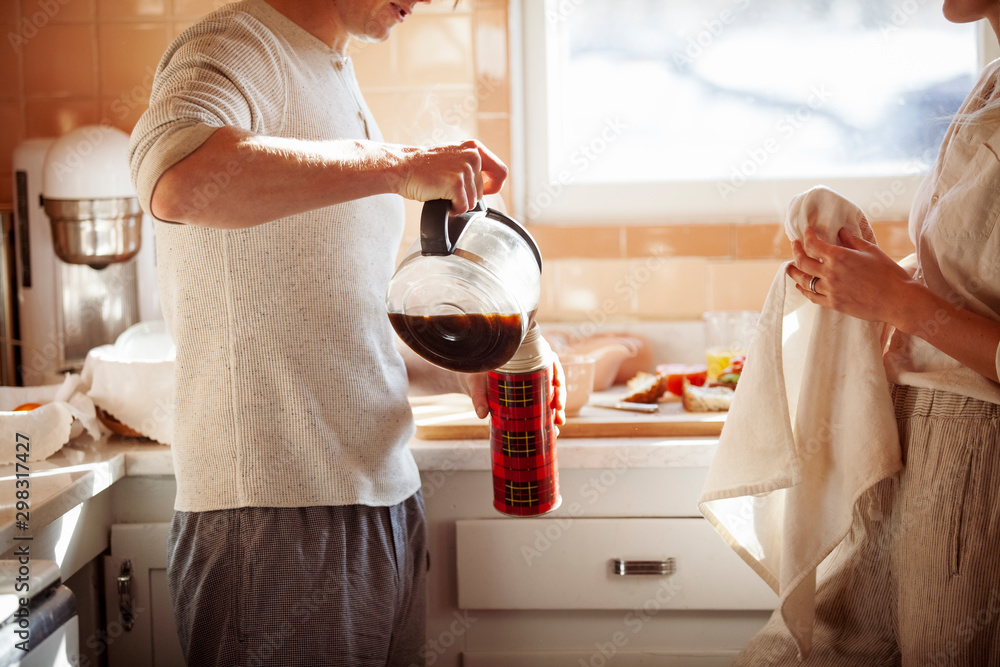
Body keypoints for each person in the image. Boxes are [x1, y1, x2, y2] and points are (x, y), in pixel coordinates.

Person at [127, 1, 563, 665]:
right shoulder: (232, 47)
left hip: (381, 502)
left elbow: (335, 317)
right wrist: (392, 164)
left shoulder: (334, 73)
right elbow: (178, 180)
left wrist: (466, 362)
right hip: (274, 516)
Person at [737, 0, 1000, 663]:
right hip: (926, 456)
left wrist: (900, 301)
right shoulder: (991, 84)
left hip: (981, 469)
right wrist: (872, 279)